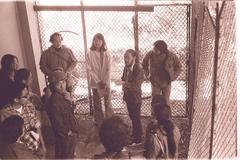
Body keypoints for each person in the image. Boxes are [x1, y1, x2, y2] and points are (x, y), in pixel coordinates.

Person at [0, 83, 42, 155]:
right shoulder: (4, 113)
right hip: (20, 152)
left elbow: (37, 126)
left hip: (35, 146)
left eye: (28, 93)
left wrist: (42, 145)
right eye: (25, 96)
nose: (29, 97)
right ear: (16, 99)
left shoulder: (30, 106)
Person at [47, 70, 79, 159]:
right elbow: (57, 123)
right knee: (66, 156)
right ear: (53, 86)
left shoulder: (63, 96)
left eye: (63, 82)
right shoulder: (55, 102)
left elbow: (71, 111)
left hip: (69, 133)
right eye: (58, 84)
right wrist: (69, 133)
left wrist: (70, 101)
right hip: (65, 136)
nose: (62, 86)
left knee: (66, 154)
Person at [142, 40, 182, 111]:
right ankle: (154, 117)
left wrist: (173, 77)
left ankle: (167, 118)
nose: (154, 50)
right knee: (155, 100)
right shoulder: (150, 54)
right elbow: (144, 64)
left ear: (162, 50)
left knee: (166, 101)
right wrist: (147, 74)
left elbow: (179, 67)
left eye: (156, 49)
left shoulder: (171, 56)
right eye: (153, 48)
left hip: (166, 82)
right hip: (155, 82)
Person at [86, 33, 113, 127]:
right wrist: (98, 81)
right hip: (95, 82)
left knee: (107, 101)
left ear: (103, 42)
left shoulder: (107, 53)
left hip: (105, 82)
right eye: (95, 40)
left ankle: (109, 121)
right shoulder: (89, 53)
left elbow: (109, 69)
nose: (97, 42)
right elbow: (89, 69)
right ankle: (99, 121)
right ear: (93, 41)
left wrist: (105, 81)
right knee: (97, 102)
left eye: (99, 40)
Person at [121, 49, 144, 144]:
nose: (125, 60)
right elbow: (123, 78)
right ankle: (135, 134)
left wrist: (124, 83)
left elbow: (136, 85)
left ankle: (138, 139)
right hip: (128, 97)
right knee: (132, 117)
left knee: (136, 118)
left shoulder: (138, 69)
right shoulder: (126, 67)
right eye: (124, 58)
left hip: (135, 98)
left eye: (128, 58)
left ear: (134, 58)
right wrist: (123, 83)